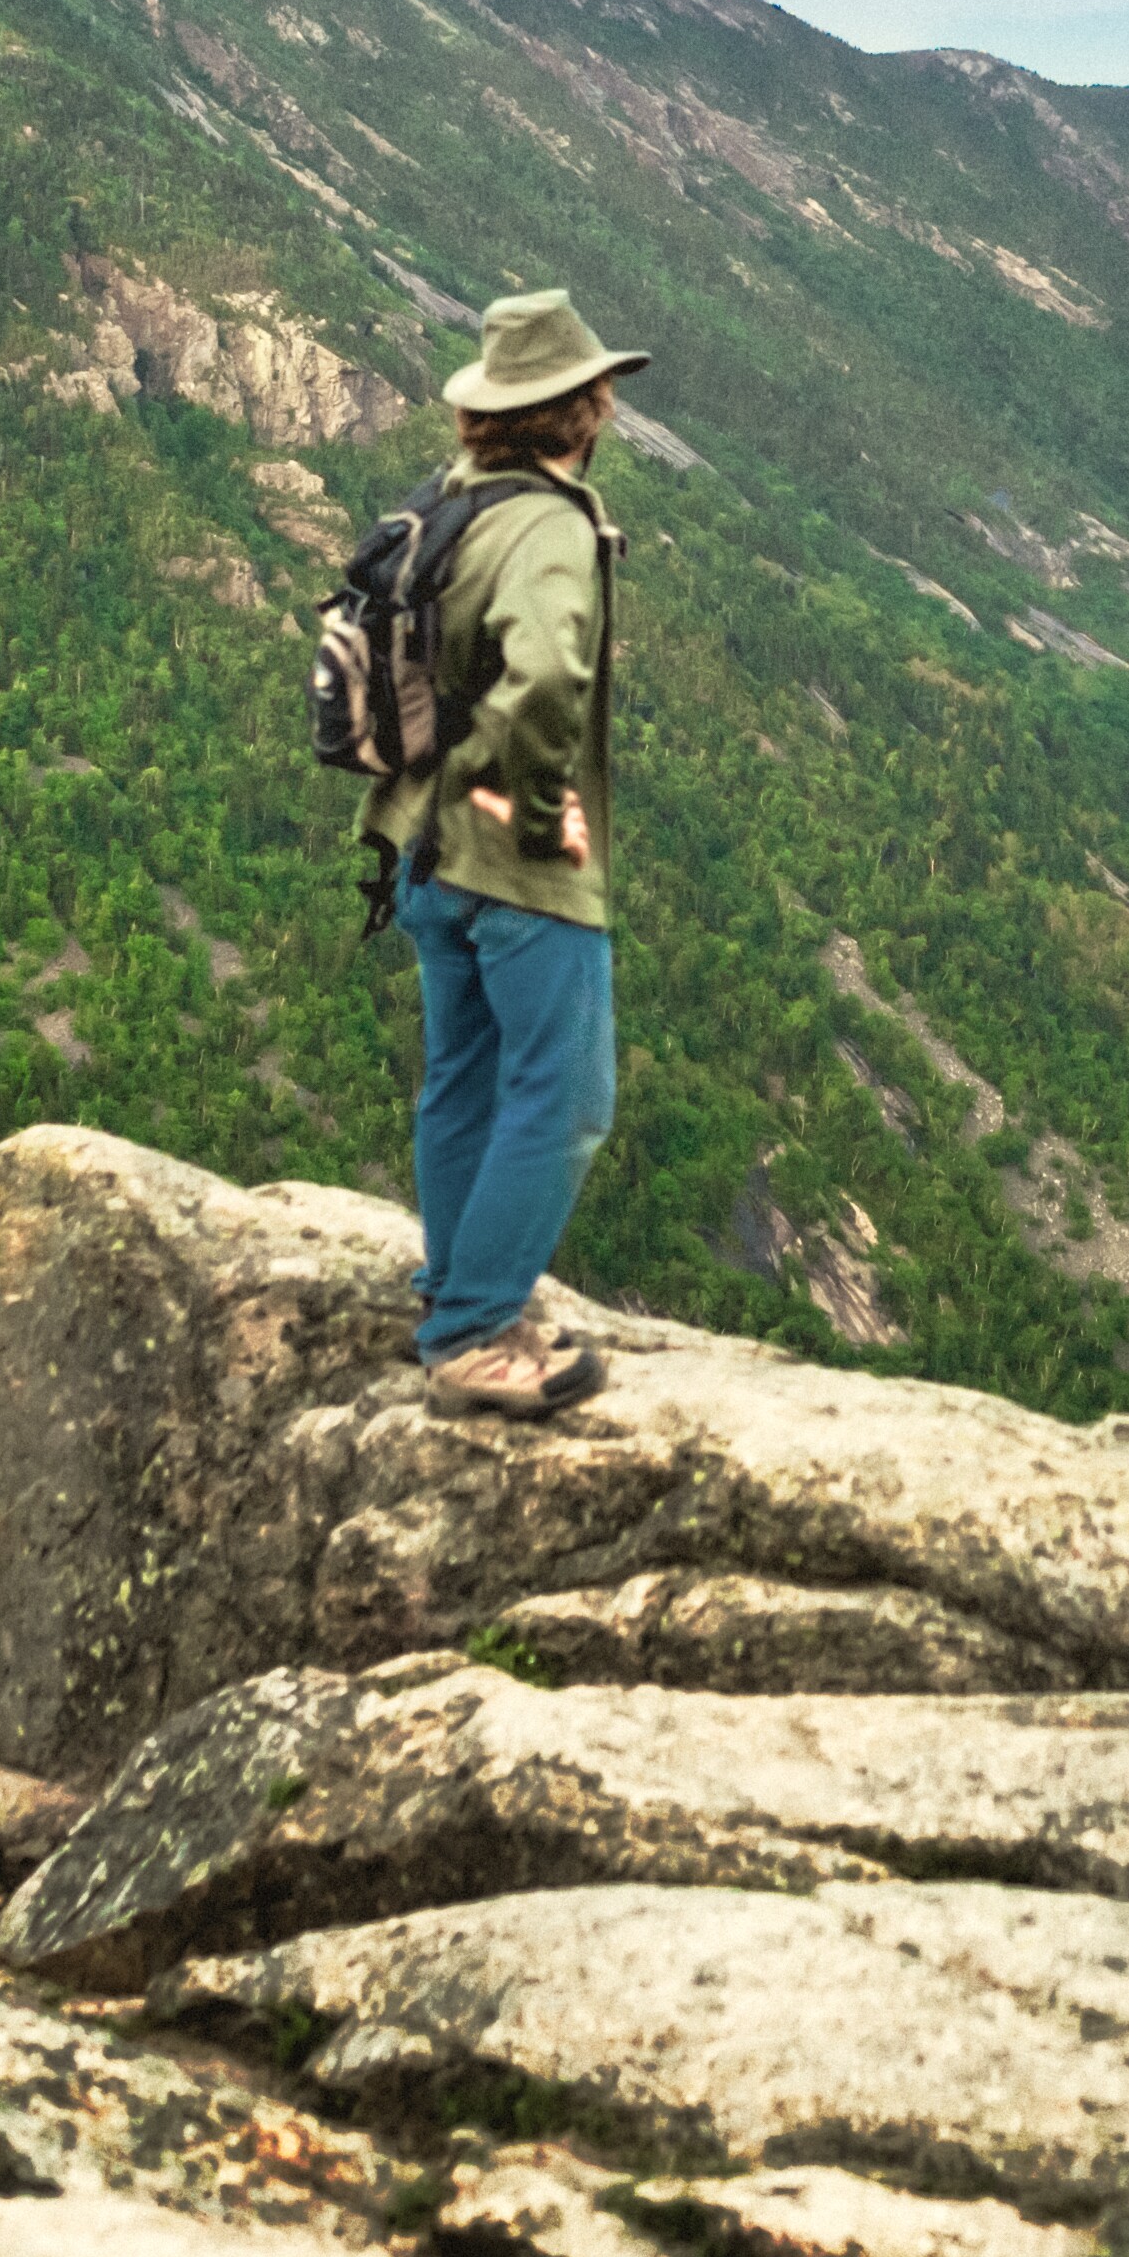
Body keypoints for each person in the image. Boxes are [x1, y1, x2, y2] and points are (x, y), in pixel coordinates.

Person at [368, 287, 647, 1418]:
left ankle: (450, 1292)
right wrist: (535, 814)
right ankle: (478, 1337)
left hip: (415, 847)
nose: (610, 402)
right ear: (575, 408)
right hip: (508, 865)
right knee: (569, 1094)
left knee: (464, 1079)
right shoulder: (548, 527)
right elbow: (542, 681)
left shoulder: (452, 502)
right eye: (600, 389)